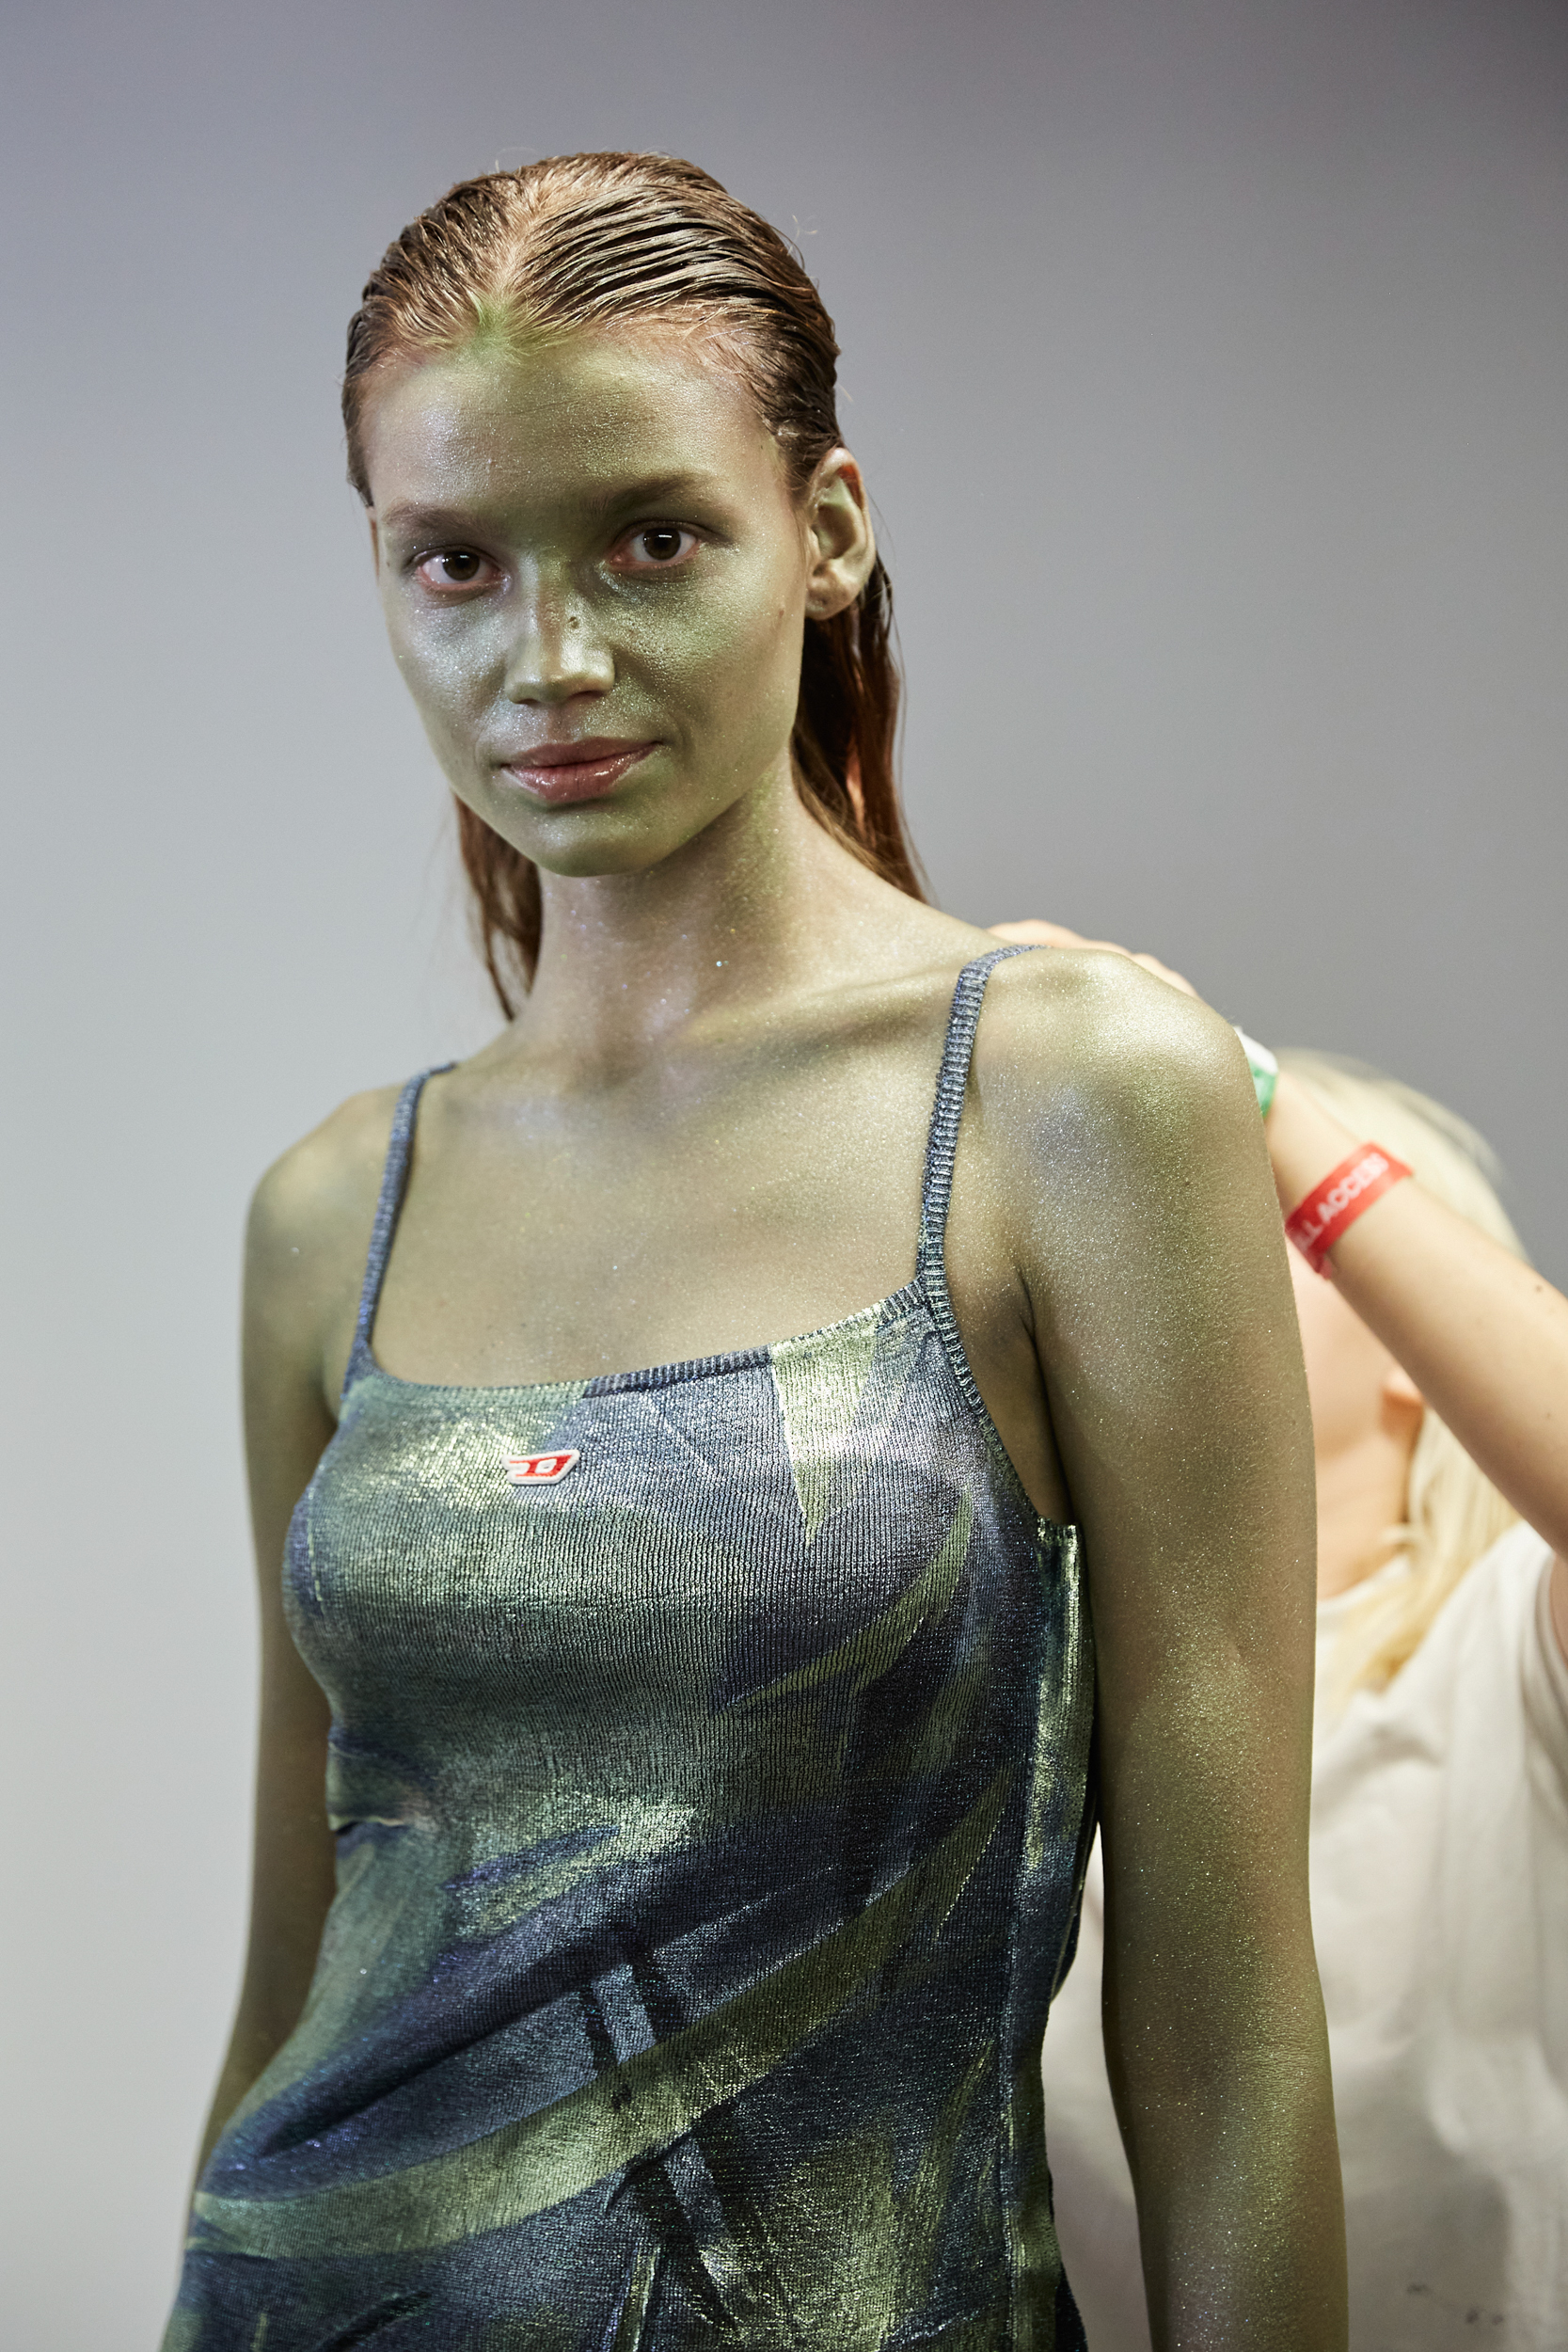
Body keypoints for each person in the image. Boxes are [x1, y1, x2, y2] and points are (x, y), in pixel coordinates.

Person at [164, 156, 1347, 2351]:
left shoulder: (1072, 1097)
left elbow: (1229, 2024)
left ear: (827, 530)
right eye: (455, 560)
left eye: (651, 537)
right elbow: (295, 1968)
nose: (550, 656)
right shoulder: (335, 1209)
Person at [993, 921, 1568, 2352]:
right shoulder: (1044, 1699)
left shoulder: (1507, 1651)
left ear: (1420, 1351)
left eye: (1261, 1222)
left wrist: (1248, 1099)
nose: (1182, 1259)